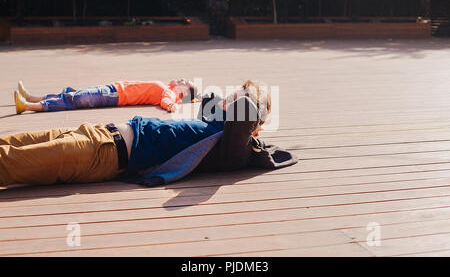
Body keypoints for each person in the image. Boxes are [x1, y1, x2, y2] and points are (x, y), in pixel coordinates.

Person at [0, 80, 298, 188]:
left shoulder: (233, 150)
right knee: (10, 144)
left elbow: (243, 114)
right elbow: (208, 101)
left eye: (241, 95)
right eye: (236, 91)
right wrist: (227, 98)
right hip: (98, 132)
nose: (234, 96)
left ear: (252, 121)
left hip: (102, 154)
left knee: (8, 162)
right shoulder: (214, 129)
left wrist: (253, 101)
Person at [13, 78, 200, 114]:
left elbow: (166, 100)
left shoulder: (170, 93)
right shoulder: (168, 86)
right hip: (114, 89)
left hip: (114, 94)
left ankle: (28, 107)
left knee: (75, 99)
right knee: (74, 94)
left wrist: (171, 106)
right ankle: (31, 97)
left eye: (185, 82)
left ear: (183, 92)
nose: (182, 78)